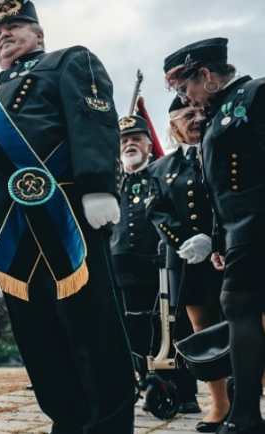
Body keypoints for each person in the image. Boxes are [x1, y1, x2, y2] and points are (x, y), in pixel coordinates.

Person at [0, 1, 136, 432]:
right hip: (13, 234)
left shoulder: (68, 61)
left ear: (39, 34)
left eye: (16, 25)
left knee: (92, 332)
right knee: (39, 340)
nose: (4, 34)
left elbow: (93, 117)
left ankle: (108, 425)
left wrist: (98, 183)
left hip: (68, 219)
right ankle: (68, 420)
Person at [164, 37, 265, 434]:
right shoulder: (218, 113)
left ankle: (245, 417)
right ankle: (245, 414)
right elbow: (219, 189)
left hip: (258, 227)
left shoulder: (256, 95)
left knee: (238, 309)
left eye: (184, 87)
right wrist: (220, 239)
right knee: (237, 309)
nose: (187, 98)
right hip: (240, 233)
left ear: (205, 76)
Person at [146, 97, 229, 432]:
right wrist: (183, 241)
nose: (196, 119)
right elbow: (157, 211)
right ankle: (220, 404)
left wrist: (216, 239)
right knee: (204, 331)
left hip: (230, 253)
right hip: (187, 261)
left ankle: (252, 397)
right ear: (173, 125)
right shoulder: (160, 169)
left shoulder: (225, 154)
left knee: (250, 324)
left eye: (201, 113)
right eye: (187, 115)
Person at [111, 115, 200, 414]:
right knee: (134, 328)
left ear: (150, 144)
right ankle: (148, 384)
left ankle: (186, 392)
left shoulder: (162, 173)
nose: (130, 144)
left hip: (162, 260)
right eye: (124, 141)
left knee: (175, 327)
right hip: (123, 263)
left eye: (136, 138)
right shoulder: (112, 180)